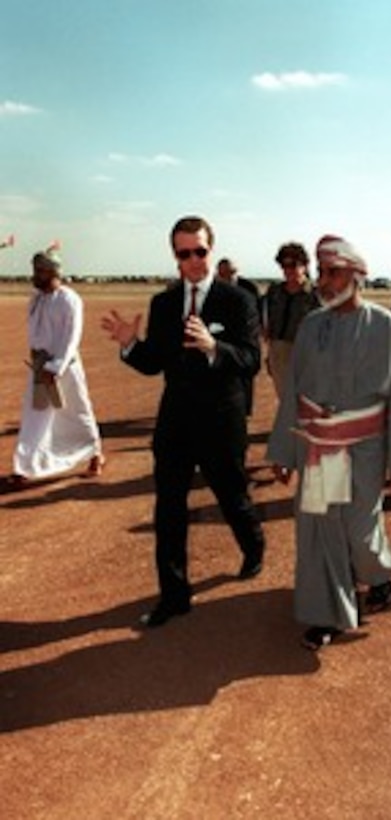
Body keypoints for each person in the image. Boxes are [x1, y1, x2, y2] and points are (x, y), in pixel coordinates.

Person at [101, 215, 266, 628]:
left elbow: (250, 361)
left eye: (200, 251)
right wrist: (130, 345)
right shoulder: (164, 303)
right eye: (184, 253)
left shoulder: (238, 300)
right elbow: (154, 362)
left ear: (211, 249)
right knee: (169, 510)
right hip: (175, 423)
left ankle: (254, 544)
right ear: (175, 257)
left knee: (232, 497)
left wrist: (215, 348)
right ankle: (174, 595)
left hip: (221, 422)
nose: (193, 260)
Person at [267, 235, 391, 650]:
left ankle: (380, 574)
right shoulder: (311, 326)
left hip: (365, 448)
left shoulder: (386, 326)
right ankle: (327, 615)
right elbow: (294, 392)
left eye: (334, 272)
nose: (325, 281)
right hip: (319, 448)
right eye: (321, 273)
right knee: (321, 530)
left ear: (358, 275)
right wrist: (283, 450)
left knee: (360, 528)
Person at [9, 250, 104, 487]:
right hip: (40, 367)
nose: (35, 275)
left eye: (39, 270)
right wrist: (40, 364)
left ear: (52, 272)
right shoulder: (36, 298)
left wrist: (56, 366)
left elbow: (71, 337)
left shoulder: (69, 299)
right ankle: (24, 466)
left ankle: (95, 454)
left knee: (77, 412)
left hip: (64, 368)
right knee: (33, 415)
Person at [263, 242, 319, 399]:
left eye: (293, 265)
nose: (288, 270)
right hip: (278, 352)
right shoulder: (274, 292)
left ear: (305, 265)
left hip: (305, 354)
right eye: (284, 265)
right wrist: (270, 355)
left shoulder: (315, 295)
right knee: (284, 400)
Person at [215, 257, 261, 415]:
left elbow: (259, 311)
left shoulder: (249, 288)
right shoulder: (214, 289)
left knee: (246, 371)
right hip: (222, 338)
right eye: (223, 274)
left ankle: (245, 409)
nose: (228, 277)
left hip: (246, 336)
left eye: (231, 272)